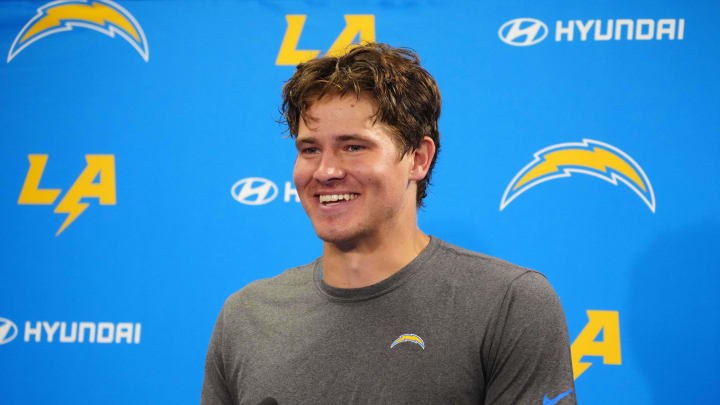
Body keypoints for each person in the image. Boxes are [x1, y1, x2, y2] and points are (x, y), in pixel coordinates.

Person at [201, 43, 576, 405]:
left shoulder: (510, 304)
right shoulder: (246, 316)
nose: (326, 171)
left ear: (418, 158)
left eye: (353, 147)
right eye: (310, 149)